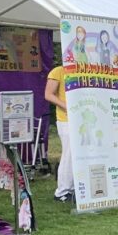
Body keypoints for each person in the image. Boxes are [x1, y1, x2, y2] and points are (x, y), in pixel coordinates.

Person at [44, 65, 75, 202]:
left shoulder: (82, 71)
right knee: (68, 154)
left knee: (77, 155)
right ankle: (62, 191)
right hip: (66, 119)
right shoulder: (58, 71)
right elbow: (48, 94)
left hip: (82, 119)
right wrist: (66, 106)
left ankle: (74, 188)